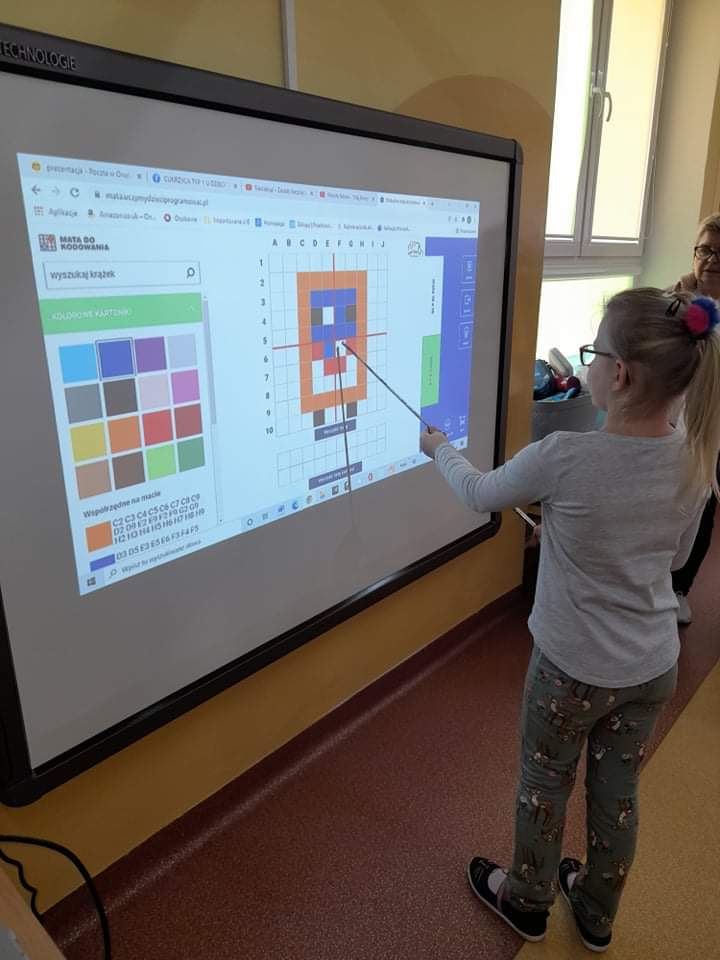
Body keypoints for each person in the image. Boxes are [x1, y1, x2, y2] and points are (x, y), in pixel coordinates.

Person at [420, 288, 720, 952]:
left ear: (621, 374)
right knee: (617, 795)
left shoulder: (563, 457)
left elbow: (478, 493)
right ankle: (595, 912)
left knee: (545, 784)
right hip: (651, 668)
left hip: (570, 672)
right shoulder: (695, 460)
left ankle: (526, 900)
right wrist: (572, 532)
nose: (587, 365)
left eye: (593, 353)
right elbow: (671, 558)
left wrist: (439, 447)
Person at [668, 213, 720, 623]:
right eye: (706, 250)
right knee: (677, 503)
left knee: (705, 504)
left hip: (716, 425)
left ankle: (680, 587)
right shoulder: (675, 299)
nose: (712, 260)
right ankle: (662, 584)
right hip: (678, 422)